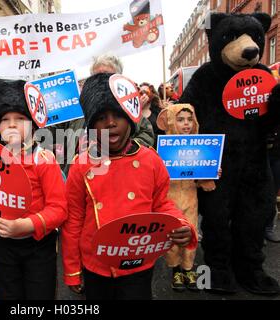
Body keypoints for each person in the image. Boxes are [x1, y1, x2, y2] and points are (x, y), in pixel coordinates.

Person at [61, 73, 197, 300]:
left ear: (131, 118)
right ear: (92, 124)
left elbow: (162, 203)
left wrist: (181, 224)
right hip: (96, 264)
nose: (111, 122)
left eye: (118, 115)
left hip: (138, 262)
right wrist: (73, 270)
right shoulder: (80, 165)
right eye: (101, 117)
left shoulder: (151, 160)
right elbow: (73, 221)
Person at [0, 78, 67, 300]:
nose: (11, 124)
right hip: (5, 245)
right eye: (5, 119)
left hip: (39, 246)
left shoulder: (44, 159)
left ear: (33, 124)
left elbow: (59, 209)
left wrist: (26, 225)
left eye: (20, 118)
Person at [156, 104, 222, 291]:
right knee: (172, 237)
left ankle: (188, 268)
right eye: (180, 119)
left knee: (191, 232)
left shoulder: (200, 147)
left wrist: (210, 171)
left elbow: (202, 178)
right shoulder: (162, 148)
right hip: (169, 200)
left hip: (191, 199)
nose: (186, 124)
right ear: (169, 121)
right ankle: (176, 269)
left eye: (189, 119)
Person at [63, 53, 155, 176]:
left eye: (107, 76)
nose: (101, 82)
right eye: (96, 77)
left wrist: (121, 149)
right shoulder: (77, 107)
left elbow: (147, 135)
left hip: (113, 176)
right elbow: (52, 135)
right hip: (78, 176)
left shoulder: (129, 108)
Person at [139, 82, 164, 147]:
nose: (143, 96)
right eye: (141, 93)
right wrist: (139, 108)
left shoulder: (158, 112)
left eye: (146, 92)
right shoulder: (134, 112)